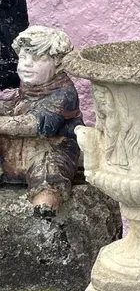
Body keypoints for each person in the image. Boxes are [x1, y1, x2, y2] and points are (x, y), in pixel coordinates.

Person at [0, 25, 82, 217]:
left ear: (58, 64)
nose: (27, 64)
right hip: (19, 151)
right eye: (23, 57)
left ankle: (46, 201)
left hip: (52, 147)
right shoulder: (26, 90)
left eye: (37, 58)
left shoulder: (64, 93)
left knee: (48, 166)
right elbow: (13, 106)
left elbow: (39, 124)